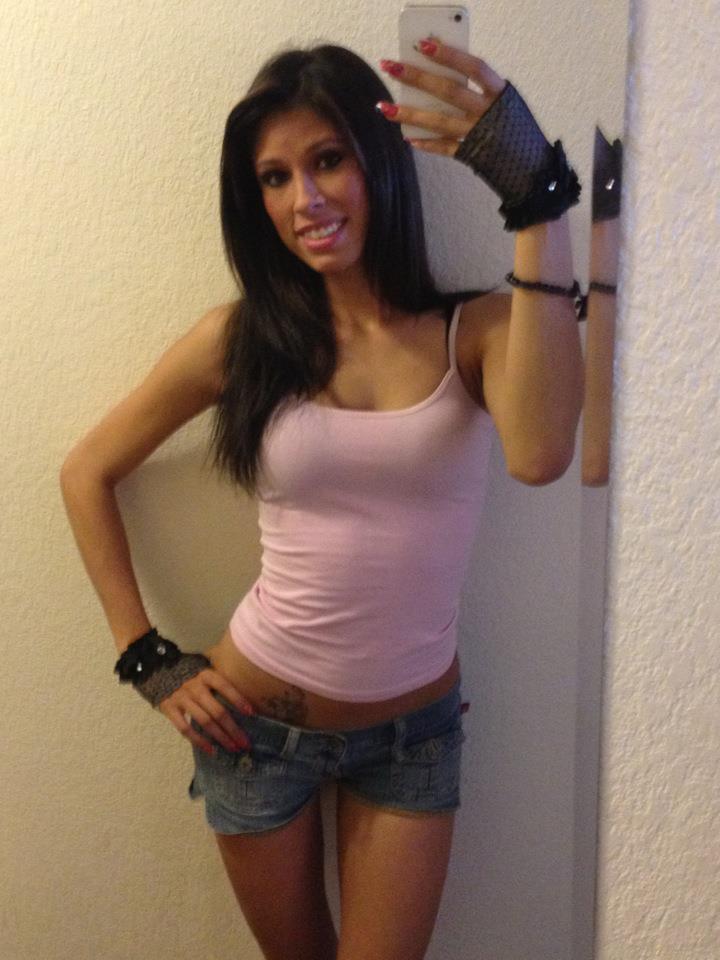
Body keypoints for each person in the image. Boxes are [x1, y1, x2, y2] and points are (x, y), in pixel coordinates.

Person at [61, 39, 583, 960]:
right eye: (275, 177)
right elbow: (87, 472)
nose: (304, 199)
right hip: (255, 730)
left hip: (415, 740)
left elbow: (541, 455)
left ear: (379, 161)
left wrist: (535, 195)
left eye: (328, 159)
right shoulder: (238, 341)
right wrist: (146, 659)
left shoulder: (477, 330)